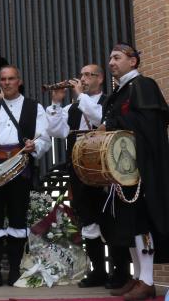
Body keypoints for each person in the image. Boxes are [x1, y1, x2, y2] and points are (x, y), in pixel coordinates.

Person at [98, 43, 169, 301]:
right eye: (110, 58)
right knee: (130, 224)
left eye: (117, 58)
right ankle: (138, 277)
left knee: (143, 223)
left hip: (144, 167)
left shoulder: (144, 85)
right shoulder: (121, 91)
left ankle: (148, 281)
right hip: (126, 169)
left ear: (133, 61)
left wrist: (113, 124)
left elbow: (149, 125)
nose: (111, 63)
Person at [0, 65, 50, 287]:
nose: (6, 83)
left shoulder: (34, 107)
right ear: (0, 82)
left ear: (19, 81)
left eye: (11, 79)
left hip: (21, 167)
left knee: (17, 218)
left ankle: (15, 270)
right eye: (3, 79)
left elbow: (44, 140)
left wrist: (33, 145)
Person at [45, 64, 121, 288]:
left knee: (110, 221)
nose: (84, 79)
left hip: (105, 170)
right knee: (87, 220)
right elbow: (56, 131)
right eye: (82, 75)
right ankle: (98, 271)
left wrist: (79, 96)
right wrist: (56, 103)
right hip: (79, 171)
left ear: (100, 79)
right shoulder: (73, 108)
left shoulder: (109, 102)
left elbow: (99, 119)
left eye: (89, 75)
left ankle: (120, 272)